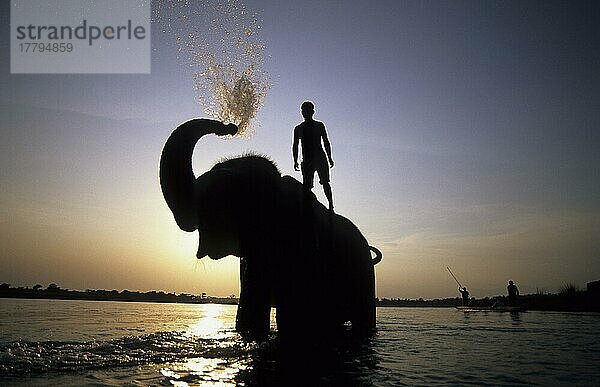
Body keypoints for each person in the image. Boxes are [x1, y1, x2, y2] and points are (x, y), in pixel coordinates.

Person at [292, 101, 335, 211]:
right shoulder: (298, 128)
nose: (305, 112)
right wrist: (295, 160)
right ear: (302, 112)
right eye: (303, 110)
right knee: (307, 187)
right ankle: (308, 208)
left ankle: (331, 205)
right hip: (307, 160)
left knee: (325, 182)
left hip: (320, 158)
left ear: (312, 111)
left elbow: (326, 142)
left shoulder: (319, 125)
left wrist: (329, 157)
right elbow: (295, 145)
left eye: (307, 110)